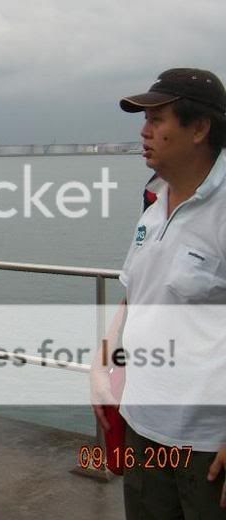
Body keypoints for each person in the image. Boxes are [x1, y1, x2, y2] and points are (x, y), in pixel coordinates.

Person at [92, 68, 226, 517]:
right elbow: (136, 295)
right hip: (142, 425)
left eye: (157, 119)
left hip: (208, 445)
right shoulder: (153, 201)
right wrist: (103, 363)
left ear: (199, 128)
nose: (144, 131)